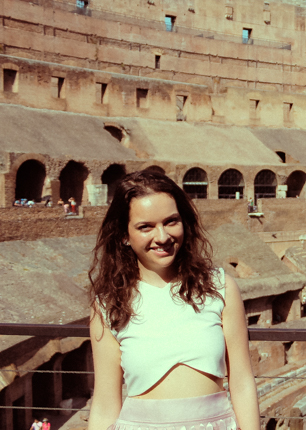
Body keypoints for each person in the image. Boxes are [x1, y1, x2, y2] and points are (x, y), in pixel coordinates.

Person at [86, 170, 259, 430]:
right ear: (124, 235)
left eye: (171, 221)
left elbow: (243, 382)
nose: (163, 237)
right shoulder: (108, 305)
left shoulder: (220, 288)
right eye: (146, 226)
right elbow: (104, 403)